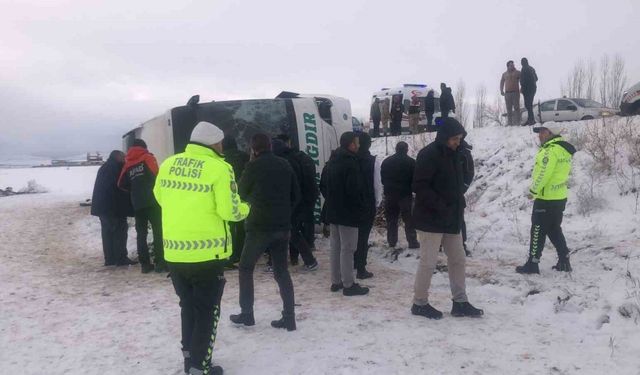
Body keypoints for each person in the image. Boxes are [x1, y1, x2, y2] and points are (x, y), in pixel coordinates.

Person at [153, 121, 250, 375]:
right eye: (219, 142)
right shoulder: (220, 168)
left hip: (174, 253)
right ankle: (200, 366)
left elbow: (160, 198)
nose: (221, 146)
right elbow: (229, 211)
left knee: (187, 306)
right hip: (207, 255)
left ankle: (189, 358)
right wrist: (247, 208)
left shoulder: (168, 164)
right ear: (213, 143)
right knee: (207, 312)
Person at [411, 117, 483, 320]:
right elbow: (420, 186)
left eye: (459, 139)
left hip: (452, 218)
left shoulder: (456, 154)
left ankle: (460, 302)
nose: (457, 142)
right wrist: (440, 206)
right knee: (428, 262)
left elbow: (461, 181)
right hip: (430, 219)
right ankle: (419, 303)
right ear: (444, 137)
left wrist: (457, 203)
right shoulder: (428, 154)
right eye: (454, 139)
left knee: (458, 259)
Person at [230, 133, 300, 331]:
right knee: (282, 271)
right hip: (282, 226)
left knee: (245, 268)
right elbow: (297, 195)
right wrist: (285, 214)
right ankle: (289, 317)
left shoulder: (252, 167)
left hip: (258, 227)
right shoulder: (285, 164)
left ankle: (247, 314)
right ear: (270, 145)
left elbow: (240, 194)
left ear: (253, 148)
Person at [516, 122, 575, 274]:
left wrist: (533, 191)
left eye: (543, 132)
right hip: (559, 197)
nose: (539, 135)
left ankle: (532, 264)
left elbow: (544, 174)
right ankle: (564, 260)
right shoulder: (563, 150)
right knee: (554, 229)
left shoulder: (549, 151)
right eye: (539, 132)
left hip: (546, 198)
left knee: (537, 229)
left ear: (551, 134)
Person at [320, 132, 369, 296]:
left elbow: (323, 185)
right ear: (350, 144)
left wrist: (333, 200)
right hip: (348, 213)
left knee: (335, 247)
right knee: (348, 249)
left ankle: (336, 281)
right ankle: (349, 284)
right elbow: (354, 190)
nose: (359, 145)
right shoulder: (351, 163)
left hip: (333, 211)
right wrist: (361, 207)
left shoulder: (332, 160)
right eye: (357, 143)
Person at [118, 139, 166, 274]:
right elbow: (159, 176)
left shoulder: (128, 164)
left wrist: (134, 191)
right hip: (153, 201)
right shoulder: (148, 158)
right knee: (158, 231)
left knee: (141, 234)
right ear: (143, 147)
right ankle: (161, 262)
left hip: (137, 204)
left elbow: (121, 183)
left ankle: (145, 265)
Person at [272, 137, 319, 270]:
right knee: (292, 231)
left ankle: (279, 262)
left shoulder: (284, 162)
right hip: (298, 201)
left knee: (287, 232)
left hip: (288, 203)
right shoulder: (295, 157)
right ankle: (299, 259)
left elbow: (289, 185)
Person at [91, 150, 136, 266]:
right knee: (119, 232)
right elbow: (119, 188)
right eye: (123, 157)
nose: (125, 159)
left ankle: (109, 258)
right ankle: (120, 258)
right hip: (113, 208)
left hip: (102, 207)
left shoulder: (104, 167)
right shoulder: (116, 168)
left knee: (107, 233)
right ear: (117, 157)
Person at [380, 141, 419, 250]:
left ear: (396, 149)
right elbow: (415, 179)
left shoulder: (386, 162)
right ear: (406, 149)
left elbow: (382, 179)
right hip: (405, 195)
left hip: (390, 195)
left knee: (391, 220)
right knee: (409, 220)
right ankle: (412, 242)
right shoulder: (411, 162)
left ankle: (392, 242)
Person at [353, 132, 382, 279]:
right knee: (363, 237)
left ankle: (351, 262)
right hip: (367, 203)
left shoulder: (350, 158)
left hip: (351, 203)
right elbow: (377, 184)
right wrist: (377, 202)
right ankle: (361, 268)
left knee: (352, 236)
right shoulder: (373, 161)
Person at [222, 136, 250, 267]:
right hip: (242, 195)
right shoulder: (244, 156)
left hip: (226, 196)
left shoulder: (221, 159)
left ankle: (230, 255)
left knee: (228, 228)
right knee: (242, 226)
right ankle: (241, 253)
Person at [459, 138, 475, 257]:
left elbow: (469, 173)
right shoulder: (444, 149)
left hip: (457, 193)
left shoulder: (464, 153)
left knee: (459, 219)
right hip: (442, 193)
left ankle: (461, 245)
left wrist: (462, 188)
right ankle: (440, 243)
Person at [500, 60, 522, 126]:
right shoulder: (504, 74)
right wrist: (501, 90)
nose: (512, 66)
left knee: (516, 108)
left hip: (515, 93)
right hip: (507, 93)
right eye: (511, 65)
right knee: (508, 108)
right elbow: (501, 82)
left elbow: (522, 81)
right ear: (508, 66)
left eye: (513, 65)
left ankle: (518, 122)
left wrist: (522, 88)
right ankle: (510, 123)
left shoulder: (518, 72)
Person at [520, 57, 539, 126]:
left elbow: (523, 81)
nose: (522, 64)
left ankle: (531, 120)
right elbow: (536, 78)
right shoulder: (531, 68)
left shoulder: (525, 69)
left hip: (528, 89)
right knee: (528, 105)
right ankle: (530, 119)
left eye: (522, 62)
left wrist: (522, 87)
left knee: (528, 104)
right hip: (532, 89)